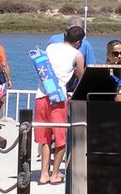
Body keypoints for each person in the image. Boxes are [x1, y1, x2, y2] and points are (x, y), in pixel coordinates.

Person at [35, 25, 85, 185]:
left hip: (41, 95)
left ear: (65, 36)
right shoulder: (77, 54)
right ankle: (55, 173)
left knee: (45, 138)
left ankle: (44, 173)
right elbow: (82, 78)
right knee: (60, 137)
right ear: (78, 42)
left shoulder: (50, 47)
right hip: (58, 97)